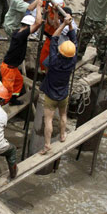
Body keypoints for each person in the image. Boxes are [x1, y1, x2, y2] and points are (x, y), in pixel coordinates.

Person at [39, 16, 77, 154]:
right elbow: (74, 39)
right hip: (64, 93)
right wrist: (70, 25)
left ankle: (47, 144)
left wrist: (63, 25)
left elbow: (54, 38)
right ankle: (62, 135)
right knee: (63, 115)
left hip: (51, 94)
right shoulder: (73, 60)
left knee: (48, 119)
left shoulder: (54, 60)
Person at [1, 5, 43, 104]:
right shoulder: (21, 35)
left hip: (12, 67)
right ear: (29, 26)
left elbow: (37, 23)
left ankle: (13, 99)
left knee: (19, 81)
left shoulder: (18, 32)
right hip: (9, 68)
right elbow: (38, 23)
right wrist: (39, 7)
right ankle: (0, 107)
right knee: (7, 91)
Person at [40, 0, 64, 71]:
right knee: (43, 58)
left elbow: (55, 26)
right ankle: (44, 72)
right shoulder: (51, 6)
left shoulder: (62, 13)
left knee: (51, 60)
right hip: (49, 36)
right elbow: (50, 23)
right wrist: (46, 14)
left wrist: (56, 13)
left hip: (56, 40)